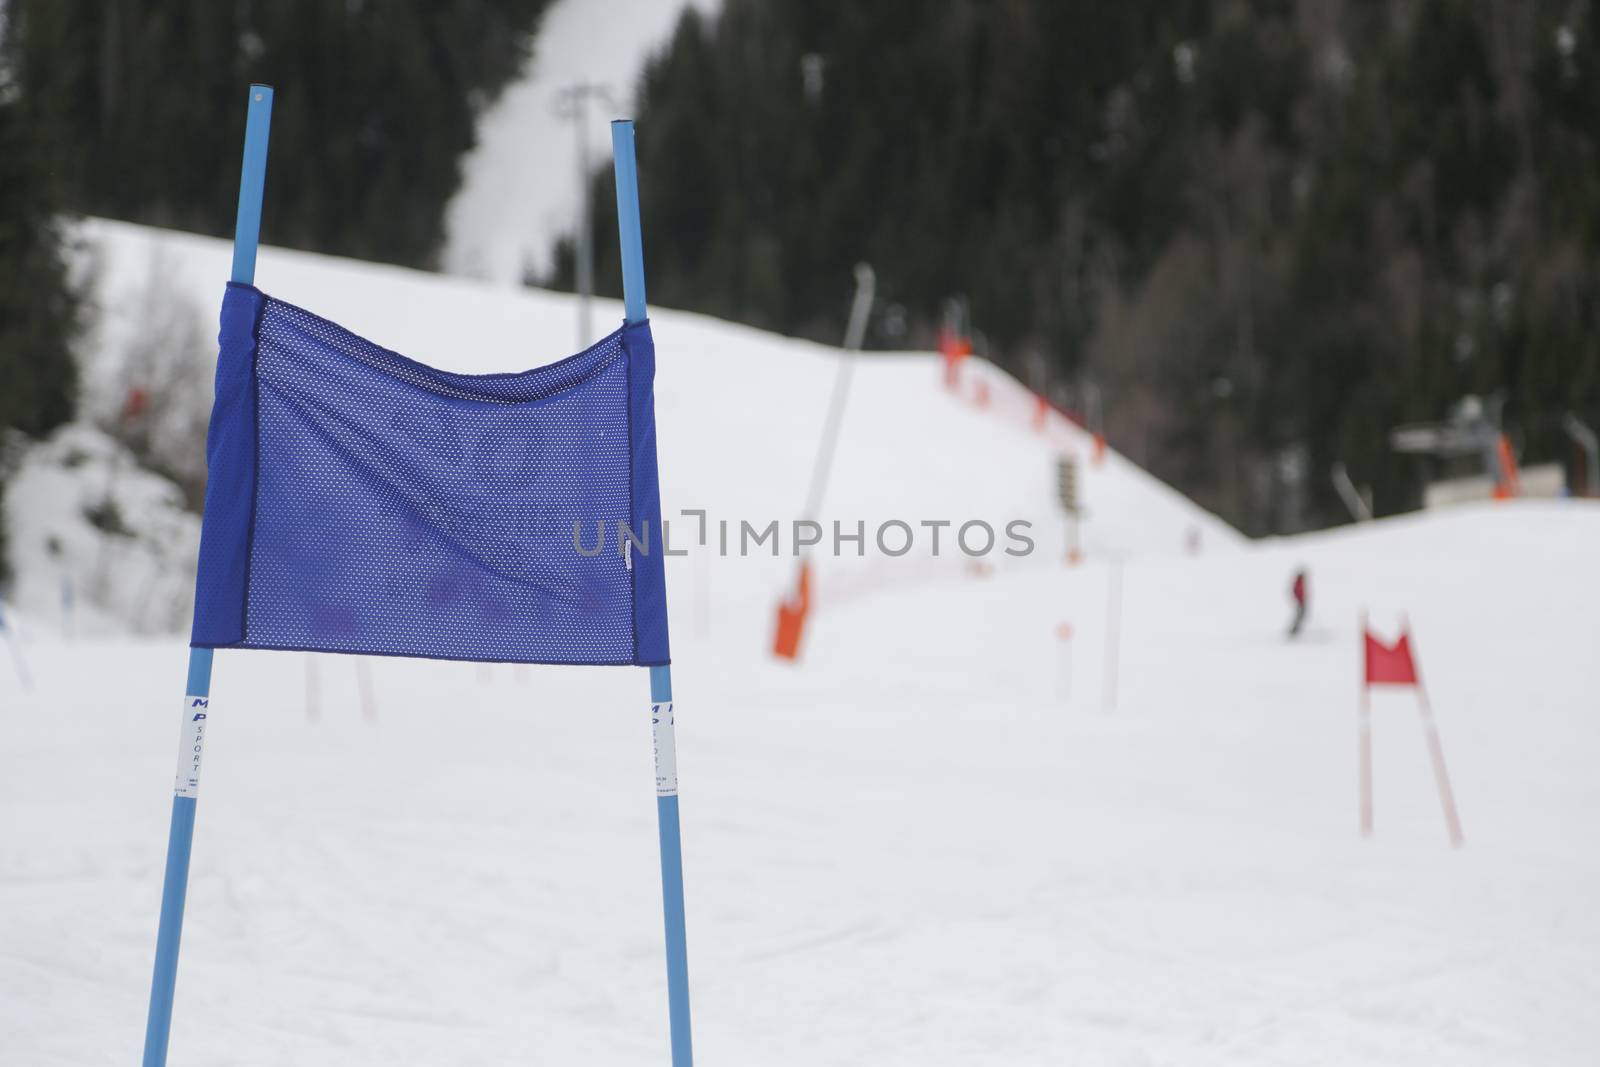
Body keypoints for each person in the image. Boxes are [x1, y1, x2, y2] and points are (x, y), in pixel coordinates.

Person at [1288, 567, 1308, 638]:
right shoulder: (1298, 582)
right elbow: (1295, 591)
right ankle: (1294, 630)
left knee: (1301, 615)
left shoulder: (1301, 582)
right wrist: (1299, 599)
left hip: (1302, 602)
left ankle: (1295, 629)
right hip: (1300, 602)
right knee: (1299, 616)